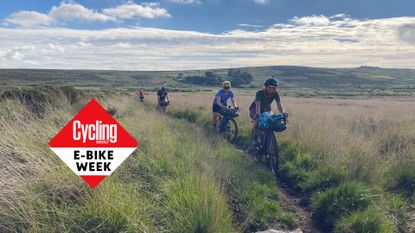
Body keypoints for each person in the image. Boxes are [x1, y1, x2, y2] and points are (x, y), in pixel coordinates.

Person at [249, 76, 287, 144]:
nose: (271, 89)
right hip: (256, 107)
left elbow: (279, 106)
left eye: (273, 88)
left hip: (266, 108)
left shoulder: (276, 93)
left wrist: (283, 113)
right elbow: (258, 105)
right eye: (270, 87)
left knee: (271, 119)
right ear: (265, 86)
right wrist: (257, 115)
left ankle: (267, 136)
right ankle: (254, 137)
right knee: (257, 120)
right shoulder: (259, 93)